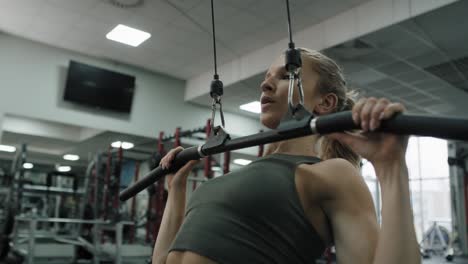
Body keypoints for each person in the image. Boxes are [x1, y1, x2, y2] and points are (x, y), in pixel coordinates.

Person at [152, 48, 420, 264]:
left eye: (285, 75)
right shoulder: (241, 175)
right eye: (268, 76)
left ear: (325, 103)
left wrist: (390, 167)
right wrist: (175, 189)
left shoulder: (332, 173)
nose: (265, 84)